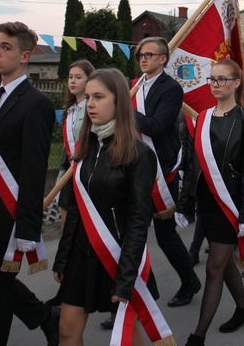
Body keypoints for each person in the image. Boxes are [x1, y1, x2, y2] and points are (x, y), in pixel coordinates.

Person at [53, 68, 163, 346]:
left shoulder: (140, 155)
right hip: (81, 254)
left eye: (99, 96)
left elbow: (139, 221)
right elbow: (77, 208)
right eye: (88, 96)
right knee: (66, 330)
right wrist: (62, 256)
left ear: (119, 101)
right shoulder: (86, 147)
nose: (90, 103)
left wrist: (126, 277)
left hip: (117, 257)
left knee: (128, 335)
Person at [0, 21, 58, 346]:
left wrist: (27, 227)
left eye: (6, 48)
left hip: (10, 215)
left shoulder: (35, 102)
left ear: (25, 56)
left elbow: (34, 171)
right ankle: (43, 316)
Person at [178, 59, 244, 345]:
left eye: (222, 79)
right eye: (212, 79)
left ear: (237, 83)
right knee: (224, 265)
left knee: (214, 267)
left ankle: (197, 336)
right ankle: (243, 309)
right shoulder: (202, 118)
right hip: (208, 202)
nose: (215, 84)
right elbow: (193, 165)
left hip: (232, 205)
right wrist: (184, 204)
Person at [131, 37, 200, 310]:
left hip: (161, 170)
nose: (143, 59)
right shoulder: (134, 87)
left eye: (149, 54)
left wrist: (125, 111)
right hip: (134, 167)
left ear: (163, 59)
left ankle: (189, 281)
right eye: (140, 55)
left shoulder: (171, 89)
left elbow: (157, 126)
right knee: (132, 235)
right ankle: (141, 293)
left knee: (165, 236)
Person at [57, 59, 95, 229]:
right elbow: (67, 147)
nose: (72, 81)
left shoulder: (92, 108)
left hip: (88, 172)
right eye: (70, 77)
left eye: (78, 77)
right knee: (66, 226)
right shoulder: (69, 109)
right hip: (70, 174)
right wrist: (61, 176)